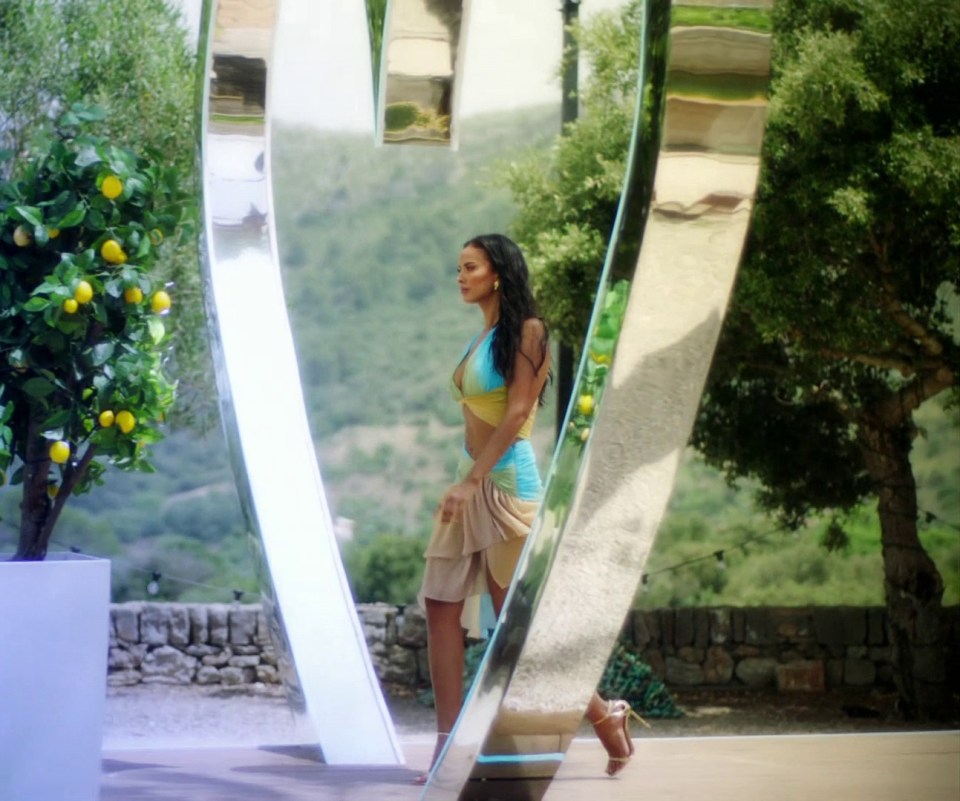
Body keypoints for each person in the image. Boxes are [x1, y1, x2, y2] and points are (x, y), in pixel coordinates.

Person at [416, 233, 638, 784]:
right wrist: (465, 482)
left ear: (498, 272)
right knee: (439, 607)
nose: (460, 276)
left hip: (506, 486)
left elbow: (516, 414)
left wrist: (472, 481)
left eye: (469, 267)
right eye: (459, 268)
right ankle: (445, 749)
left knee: (519, 629)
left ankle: (604, 713)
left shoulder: (529, 332)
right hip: (470, 483)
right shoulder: (483, 336)